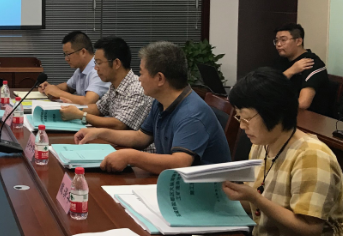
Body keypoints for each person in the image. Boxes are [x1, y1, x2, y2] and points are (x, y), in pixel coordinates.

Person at [222, 68, 343, 236]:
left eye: (247, 118)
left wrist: (254, 198)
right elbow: (254, 206)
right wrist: (222, 195)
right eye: (239, 117)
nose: (242, 126)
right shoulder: (262, 145)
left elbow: (308, 233)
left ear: (275, 113)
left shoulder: (311, 156)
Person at [74, 41, 231, 174]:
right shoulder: (161, 101)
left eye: (142, 73)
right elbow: (141, 137)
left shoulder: (192, 113)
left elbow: (180, 163)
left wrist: (131, 157)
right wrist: (100, 133)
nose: (139, 79)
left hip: (204, 192)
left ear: (160, 78)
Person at [59, 36, 153, 132]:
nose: (95, 68)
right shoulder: (114, 86)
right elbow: (98, 108)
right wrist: (74, 108)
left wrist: (81, 115)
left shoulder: (136, 89)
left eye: (99, 63)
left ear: (116, 63)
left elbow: (119, 124)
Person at [39, 31, 109, 105]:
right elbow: (68, 87)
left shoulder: (98, 70)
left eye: (68, 54)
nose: (66, 59)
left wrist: (58, 92)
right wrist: (50, 88)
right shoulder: (80, 69)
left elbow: (88, 101)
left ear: (83, 52)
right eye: (65, 55)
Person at [273, 23, 329, 113]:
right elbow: (268, 87)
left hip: (312, 117)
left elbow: (303, 103)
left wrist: (273, 105)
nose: (278, 44)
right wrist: (290, 71)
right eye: (276, 41)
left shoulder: (312, 64)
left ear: (298, 41)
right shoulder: (281, 61)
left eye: (283, 40)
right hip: (286, 112)